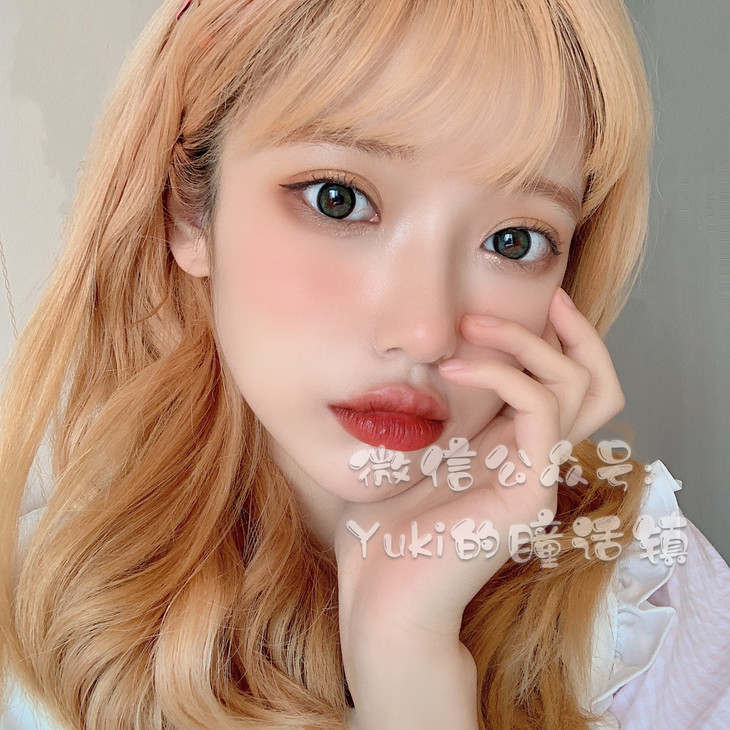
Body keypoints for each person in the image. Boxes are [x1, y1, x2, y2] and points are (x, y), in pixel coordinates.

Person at [1, 0, 728, 728]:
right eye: (339, 199)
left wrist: (408, 664)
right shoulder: (34, 618)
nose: (425, 333)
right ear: (189, 211)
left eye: (514, 241)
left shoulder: (647, 594)